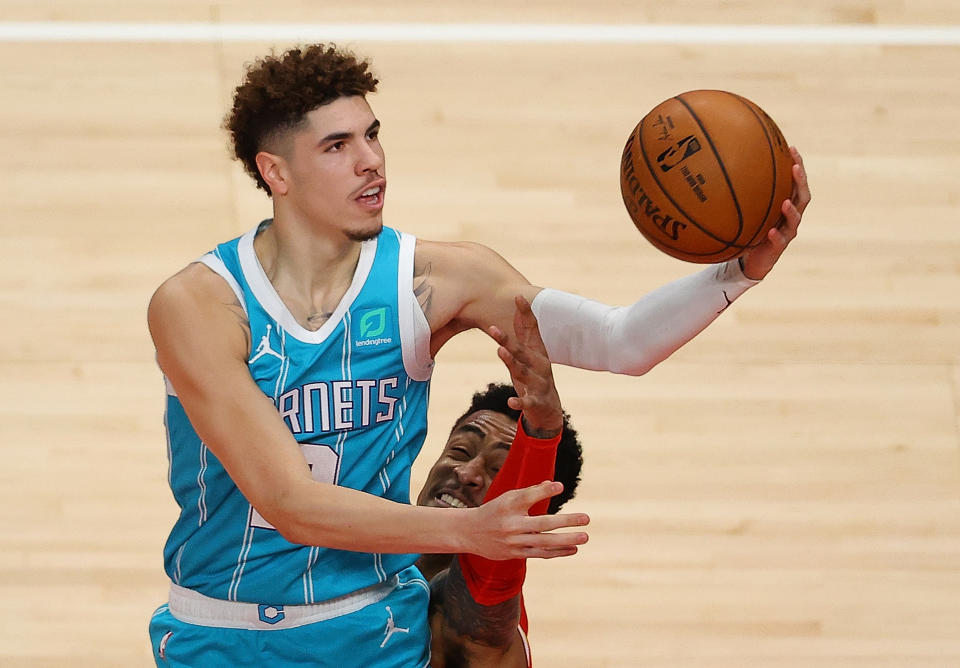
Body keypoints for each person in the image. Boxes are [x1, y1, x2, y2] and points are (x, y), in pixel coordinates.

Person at [146, 43, 810, 666]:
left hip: (375, 630)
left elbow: (622, 341)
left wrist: (737, 272)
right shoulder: (201, 306)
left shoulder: (440, 280)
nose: (370, 160)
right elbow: (288, 502)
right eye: (337, 146)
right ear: (276, 172)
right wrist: (470, 533)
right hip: (222, 637)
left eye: (372, 135)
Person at [417, 296, 583, 667]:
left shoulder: (473, 622)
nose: (467, 473)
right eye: (460, 450)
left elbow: (492, 571)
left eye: (498, 471)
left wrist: (542, 434)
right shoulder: (368, 546)